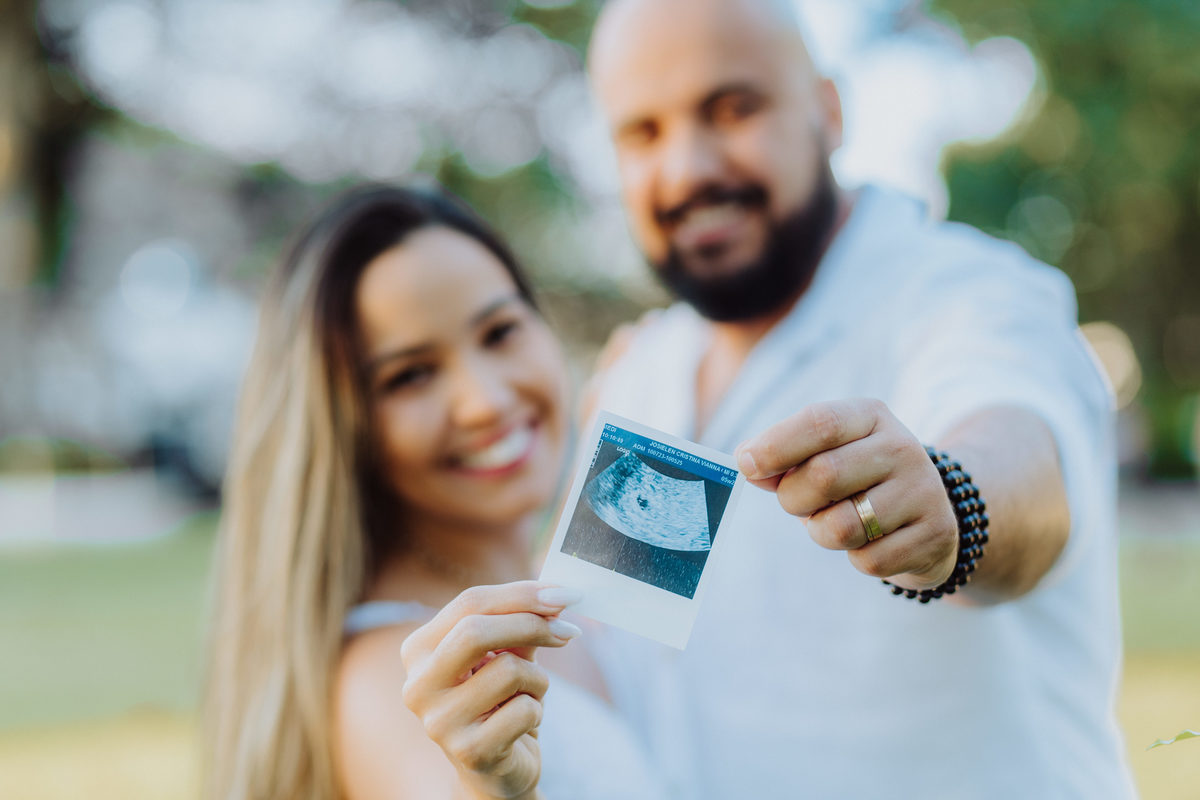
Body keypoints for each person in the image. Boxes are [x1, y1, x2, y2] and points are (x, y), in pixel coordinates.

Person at [585, 0, 1138, 796]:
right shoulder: (648, 372)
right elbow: (626, 653)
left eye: (733, 108)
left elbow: (1024, 464)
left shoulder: (968, 293)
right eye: (643, 133)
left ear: (829, 111)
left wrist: (952, 504)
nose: (687, 170)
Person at [202, 184, 673, 800]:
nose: (486, 402)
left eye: (500, 332)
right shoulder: (383, 678)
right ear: (342, 430)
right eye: (411, 376)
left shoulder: (581, 582)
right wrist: (485, 788)